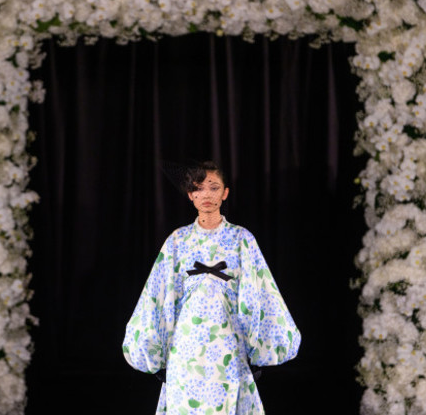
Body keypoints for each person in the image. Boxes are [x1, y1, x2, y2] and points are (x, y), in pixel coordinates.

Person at [122, 161, 301, 414]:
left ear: (225, 192)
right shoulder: (177, 240)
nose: (206, 194)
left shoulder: (242, 238)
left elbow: (258, 294)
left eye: (213, 187)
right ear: (190, 195)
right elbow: (159, 296)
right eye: (199, 189)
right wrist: (155, 352)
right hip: (185, 348)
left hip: (228, 345)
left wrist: (257, 348)